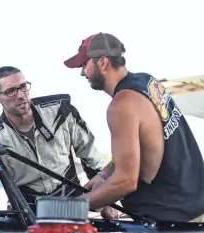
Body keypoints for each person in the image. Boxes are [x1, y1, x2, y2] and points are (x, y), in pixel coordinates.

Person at [63, 32, 204, 222]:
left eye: (84, 65)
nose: (82, 73)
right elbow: (144, 147)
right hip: (195, 206)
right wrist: (104, 175)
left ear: (102, 62)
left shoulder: (121, 105)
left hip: (173, 222)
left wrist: (69, 208)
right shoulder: (147, 83)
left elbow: (125, 182)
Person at [0, 66, 104, 212]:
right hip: (27, 212)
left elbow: (91, 156)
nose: (21, 95)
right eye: (10, 91)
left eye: (23, 87)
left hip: (72, 202)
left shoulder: (61, 111)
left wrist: (106, 202)